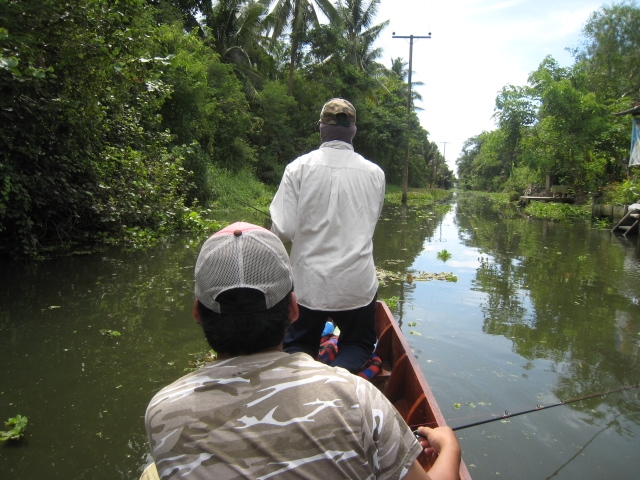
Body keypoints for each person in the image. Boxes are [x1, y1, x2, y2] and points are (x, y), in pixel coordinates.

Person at [144, 221, 461, 480]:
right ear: (293, 310)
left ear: (198, 312)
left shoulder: (163, 412)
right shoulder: (359, 397)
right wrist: (449, 448)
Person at [270, 98, 385, 373]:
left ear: (321, 128)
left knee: (298, 346)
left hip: (308, 286)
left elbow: (283, 231)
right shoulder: (375, 174)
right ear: (353, 131)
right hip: (356, 285)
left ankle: (307, 373)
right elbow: (370, 222)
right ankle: (340, 377)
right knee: (358, 344)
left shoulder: (297, 168)